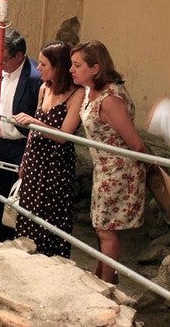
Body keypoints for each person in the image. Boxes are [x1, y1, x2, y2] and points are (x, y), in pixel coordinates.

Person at [71, 40, 149, 284]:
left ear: (95, 68)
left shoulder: (110, 99)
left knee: (107, 230)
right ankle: (101, 273)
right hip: (103, 168)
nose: (71, 70)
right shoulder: (89, 91)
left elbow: (135, 143)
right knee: (101, 226)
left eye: (77, 65)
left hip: (119, 171)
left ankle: (106, 283)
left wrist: (155, 169)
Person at [12, 41, 85, 258]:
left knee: (50, 216)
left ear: (58, 67)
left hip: (56, 165)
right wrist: (24, 160)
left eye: (44, 64)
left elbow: (64, 135)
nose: (39, 68)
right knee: (28, 213)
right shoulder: (44, 88)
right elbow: (34, 133)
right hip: (35, 160)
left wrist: (33, 122)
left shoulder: (77, 94)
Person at [0, 29, 42, 243]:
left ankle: (18, 240)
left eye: (3, 59)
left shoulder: (34, 78)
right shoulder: (1, 70)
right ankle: (1, 238)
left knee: (19, 196)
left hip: (22, 144)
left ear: (19, 56)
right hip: (0, 142)